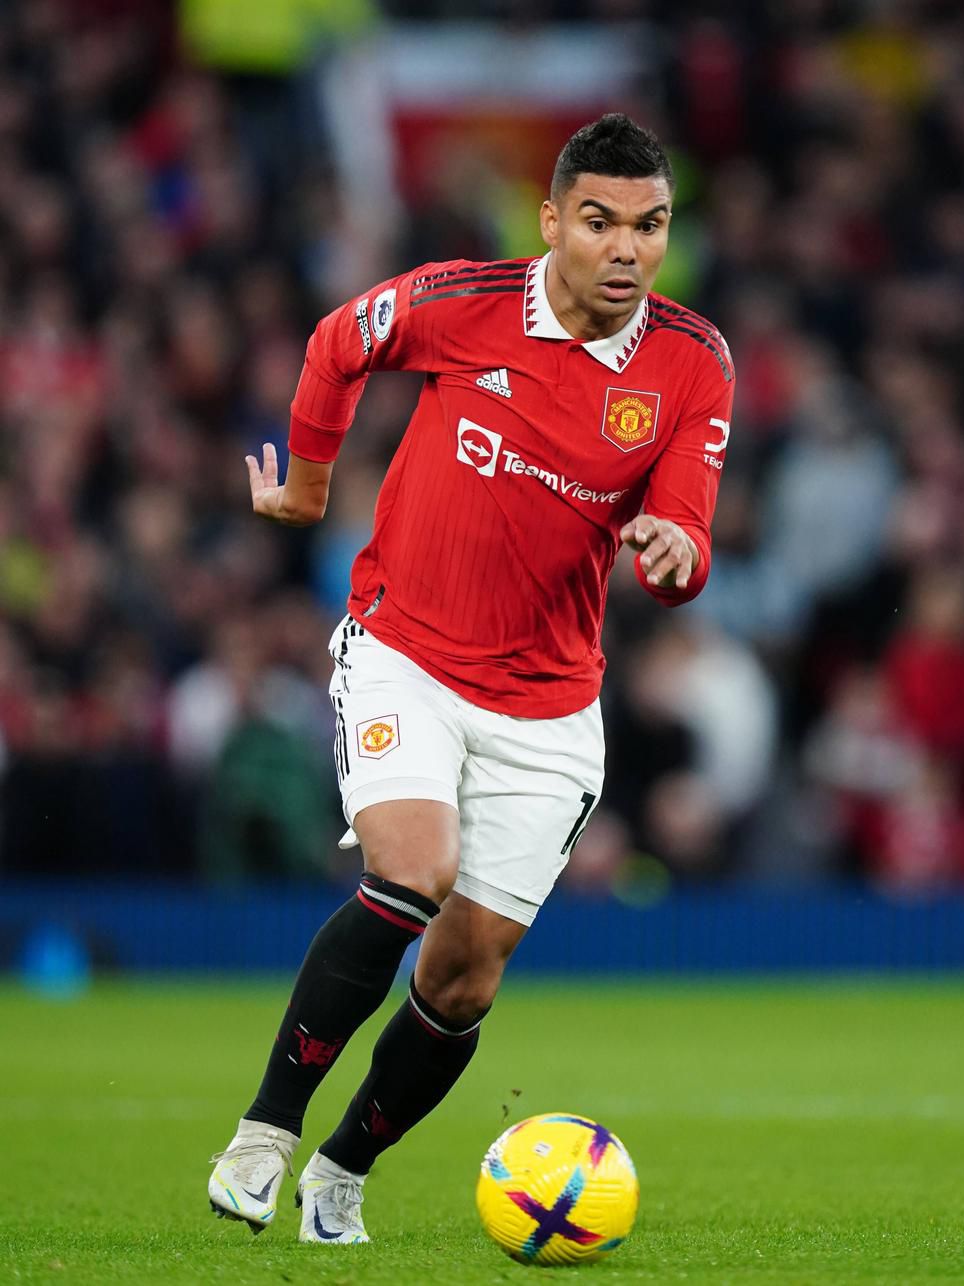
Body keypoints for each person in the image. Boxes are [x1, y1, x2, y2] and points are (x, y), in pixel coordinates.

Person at [208, 113, 734, 1244]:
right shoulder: (466, 299)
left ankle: (341, 1167)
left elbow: (687, 523)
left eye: (649, 225)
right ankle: (264, 1129)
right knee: (413, 867)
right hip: (405, 652)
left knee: (461, 982)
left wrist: (677, 553)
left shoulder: (693, 360)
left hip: (548, 706)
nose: (627, 249)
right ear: (552, 221)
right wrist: (306, 489)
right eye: (599, 222)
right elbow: (336, 341)